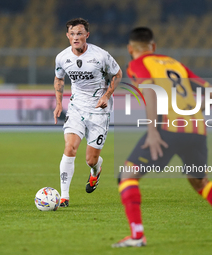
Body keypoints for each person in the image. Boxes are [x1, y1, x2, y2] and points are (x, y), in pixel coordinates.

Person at [112, 27, 212, 247]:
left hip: (168, 128)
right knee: (200, 182)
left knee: (127, 176)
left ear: (131, 49)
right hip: (197, 128)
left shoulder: (138, 64)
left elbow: (149, 91)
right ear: (154, 46)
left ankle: (137, 236)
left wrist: (152, 132)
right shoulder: (174, 63)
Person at [53, 18, 122, 207]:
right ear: (68, 36)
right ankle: (64, 197)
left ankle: (96, 170)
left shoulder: (100, 56)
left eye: (79, 33)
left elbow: (117, 74)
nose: (76, 37)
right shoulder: (62, 57)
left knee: (90, 160)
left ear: (87, 35)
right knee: (70, 148)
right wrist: (59, 103)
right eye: (72, 34)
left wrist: (107, 95)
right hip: (76, 107)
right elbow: (59, 79)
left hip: (99, 110)